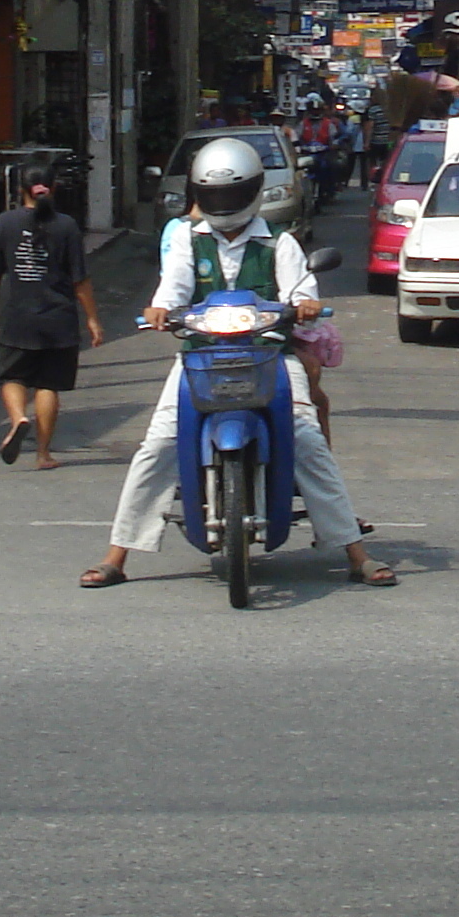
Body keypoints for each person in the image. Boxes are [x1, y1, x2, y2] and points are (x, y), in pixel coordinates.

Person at [84, 135, 393, 590]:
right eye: (214, 195)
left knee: (307, 437)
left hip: (269, 355)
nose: (223, 204)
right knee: (158, 444)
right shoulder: (190, 242)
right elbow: (172, 290)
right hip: (200, 357)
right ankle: (118, 554)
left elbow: (301, 291)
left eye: (230, 194)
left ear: (251, 191)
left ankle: (355, 553)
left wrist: (304, 304)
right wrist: (160, 310)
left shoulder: (280, 243)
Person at [0, 165, 101, 469]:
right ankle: (43, 454)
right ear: (54, 188)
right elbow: (80, 280)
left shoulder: (5, 223)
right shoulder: (67, 226)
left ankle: (19, 417)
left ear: (19, 190)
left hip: (19, 316)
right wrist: (92, 319)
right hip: (59, 319)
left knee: (12, 377)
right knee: (48, 385)